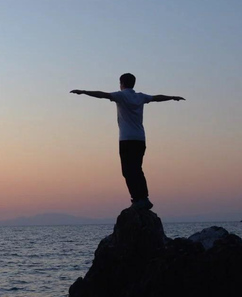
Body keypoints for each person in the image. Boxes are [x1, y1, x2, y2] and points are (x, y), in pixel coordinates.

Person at [70, 73, 185, 210]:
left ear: (121, 83)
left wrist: (84, 92)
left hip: (126, 139)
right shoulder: (140, 96)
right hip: (140, 139)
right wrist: (172, 98)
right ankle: (144, 198)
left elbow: (103, 95)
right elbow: (156, 98)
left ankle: (137, 199)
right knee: (137, 169)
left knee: (128, 171)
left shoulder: (121, 95)